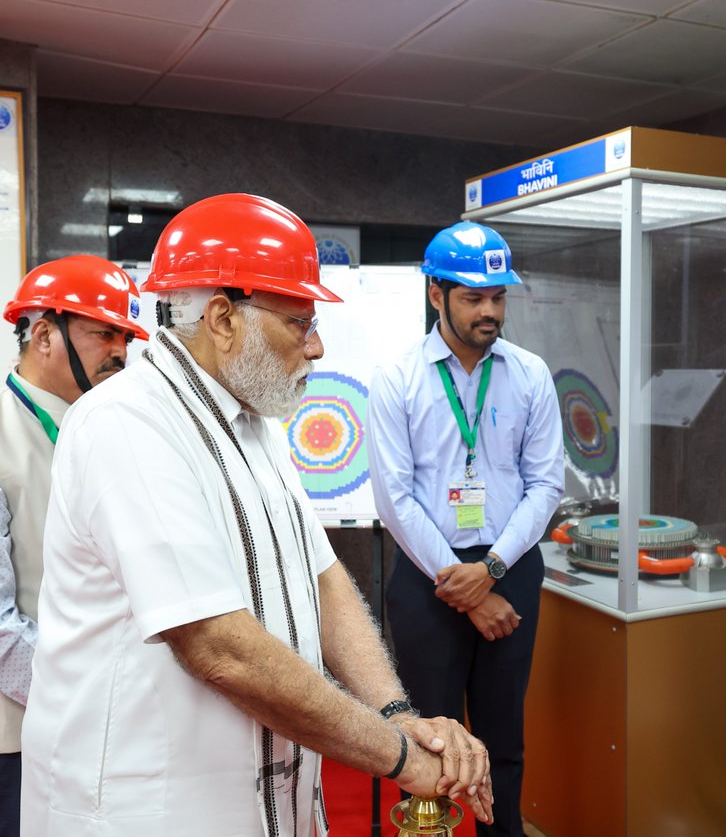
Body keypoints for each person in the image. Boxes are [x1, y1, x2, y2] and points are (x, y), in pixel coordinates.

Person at [21, 194, 493, 837]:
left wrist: (397, 713)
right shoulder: (125, 422)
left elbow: (324, 579)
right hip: (149, 809)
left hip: (266, 800)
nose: (319, 346)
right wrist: (401, 757)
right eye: (301, 322)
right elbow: (219, 648)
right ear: (222, 319)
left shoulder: (255, 424)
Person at [368, 220, 564, 837]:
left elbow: (546, 484)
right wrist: (463, 585)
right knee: (431, 741)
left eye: (498, 297)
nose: (489, 311)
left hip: (509, 566)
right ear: (436, 294)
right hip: (429, 575)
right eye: (474, 297)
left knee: (503, 737)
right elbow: (394, 496)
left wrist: (491, 573)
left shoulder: (530, 373)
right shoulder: (398, 377)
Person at [0, 254, 147, 837]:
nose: (120, 350)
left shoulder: (117, 429)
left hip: (116, 724)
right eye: (103, 332)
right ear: (42, 335)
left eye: (126, 335)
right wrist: (80, 698)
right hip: (24, 730)